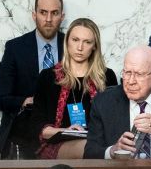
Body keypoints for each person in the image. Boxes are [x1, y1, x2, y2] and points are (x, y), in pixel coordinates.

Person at [29, 18, 113, 161]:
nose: (80, 47)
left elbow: (112, 119)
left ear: (94, 46)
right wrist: (66, 131)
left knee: (98, 146)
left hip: (98, 142)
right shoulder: (48, 77)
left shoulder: (106, 76)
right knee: (91, 147)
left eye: (87, 42)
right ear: (67, 41)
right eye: (75, 40)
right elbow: (38, 126)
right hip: (57, 143)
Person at [0, 0, 65, 157]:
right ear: (34, 15)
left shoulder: (73, 45)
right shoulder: (15, 48)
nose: (48, 19)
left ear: (62, 16)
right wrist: (28, 101)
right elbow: (2, 99)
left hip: (64, 130)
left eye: (54, 13)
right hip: (23, 131)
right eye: (43, 13)